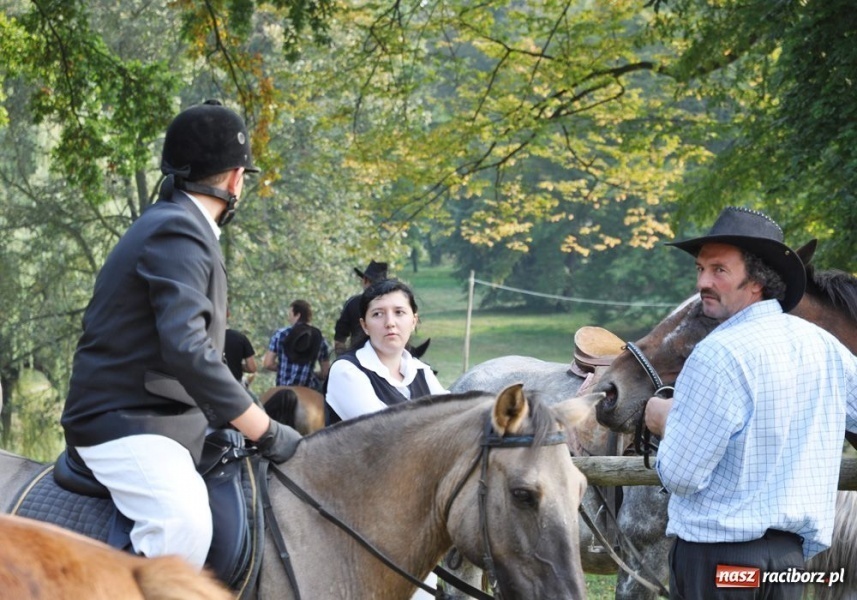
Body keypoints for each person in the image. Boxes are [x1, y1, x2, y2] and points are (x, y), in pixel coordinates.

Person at [60, 100, 301, 571]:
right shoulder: (177, 228)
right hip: (126, 419)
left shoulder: (178, 224)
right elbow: (188, 349)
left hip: (167, 418)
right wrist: (263, 428)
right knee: (183, 525)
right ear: (235, 179)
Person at [643, 206, 857, 599]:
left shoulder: (717, 353)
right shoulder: (825, 347)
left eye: (719, 270)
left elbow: (682, 476)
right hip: (788, 565)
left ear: (757, 280)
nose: (703, 282)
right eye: (700, 269)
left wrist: (665, 421)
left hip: (720, 563)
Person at [326, 278, 446, 599]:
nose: (390, 322)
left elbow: (454, 424)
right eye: (378, 314)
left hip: (410, 513)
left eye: (399, 312)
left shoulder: (422, 373)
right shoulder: (346, 371)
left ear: (414, 320)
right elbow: (388, 436)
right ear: (364, 325)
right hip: (355, 514)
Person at [263, 299, 331, 390]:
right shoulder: (319, 338)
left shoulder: (280, 334)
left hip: (282, 387)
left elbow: (268, 364)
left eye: (290, 315)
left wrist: (284, 368)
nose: (288, 318)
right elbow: (325, 372)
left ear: (298, 315)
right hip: (307, 388)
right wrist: (312, 373)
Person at [333, 260, 388, 355]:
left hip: (357, 357)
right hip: (386, 356)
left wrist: (342, 360)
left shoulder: (352, 303)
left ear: (365, 280)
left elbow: (339, 339)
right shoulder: (392, 304)